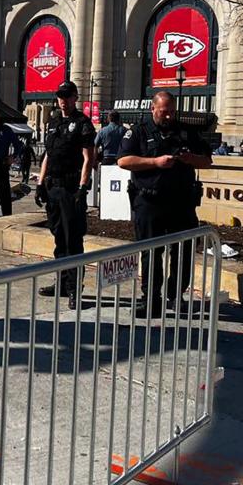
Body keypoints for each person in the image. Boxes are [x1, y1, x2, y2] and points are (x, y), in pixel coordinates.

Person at [117, 91, 212, 318]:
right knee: (151, 253)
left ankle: (175, 296)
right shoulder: (139, 131)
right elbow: (123, 160)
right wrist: (155, 162)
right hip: (149, 201)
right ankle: (151, 299)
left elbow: (207, 160)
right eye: (163, 112)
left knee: (183, 253)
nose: (168, 116)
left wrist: (191, 159)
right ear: (153, 109)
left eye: (171, 111)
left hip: (181, 203)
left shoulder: (186, 132)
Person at [35, 81, 95, 309]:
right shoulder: (53, 122)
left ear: (75, 98)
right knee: (59, 237)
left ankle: (74, 289)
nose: (63, 100)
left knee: (73, 240)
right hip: (53, 187)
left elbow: (88, 158)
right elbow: (48, 156)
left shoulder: (83, 124)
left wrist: (82, 187)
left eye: (68, 96)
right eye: (60, 96)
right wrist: (40, 183)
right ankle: (61, 283)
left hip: (71, 189)